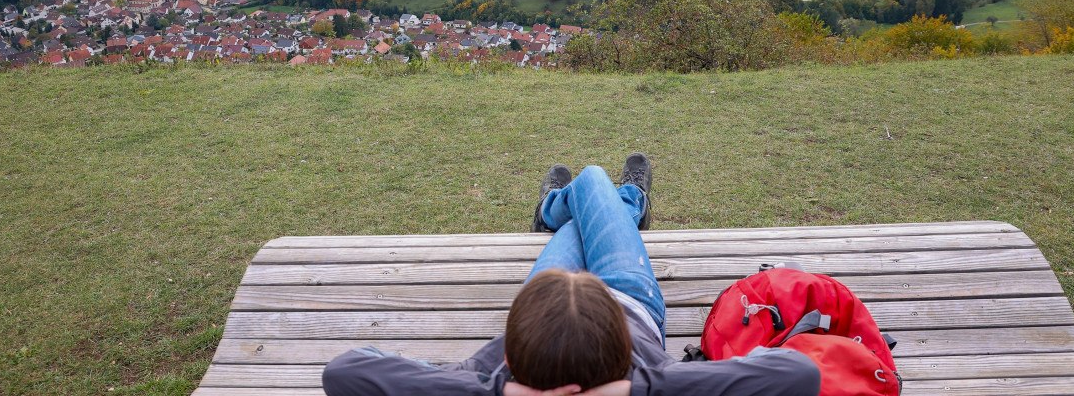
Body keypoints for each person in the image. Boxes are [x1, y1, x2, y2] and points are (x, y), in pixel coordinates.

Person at [322, 154, 821, 396]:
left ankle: (559, 208)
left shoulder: (482, 378)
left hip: (554, 310)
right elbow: (799, 375)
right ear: (624, 356)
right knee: (593, 179)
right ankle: (627, 202)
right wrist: (633, 390)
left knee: (585, 203)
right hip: (628, 299)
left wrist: (499, 392)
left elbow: (344, 372)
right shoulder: (659, 380)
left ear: (513, 357)